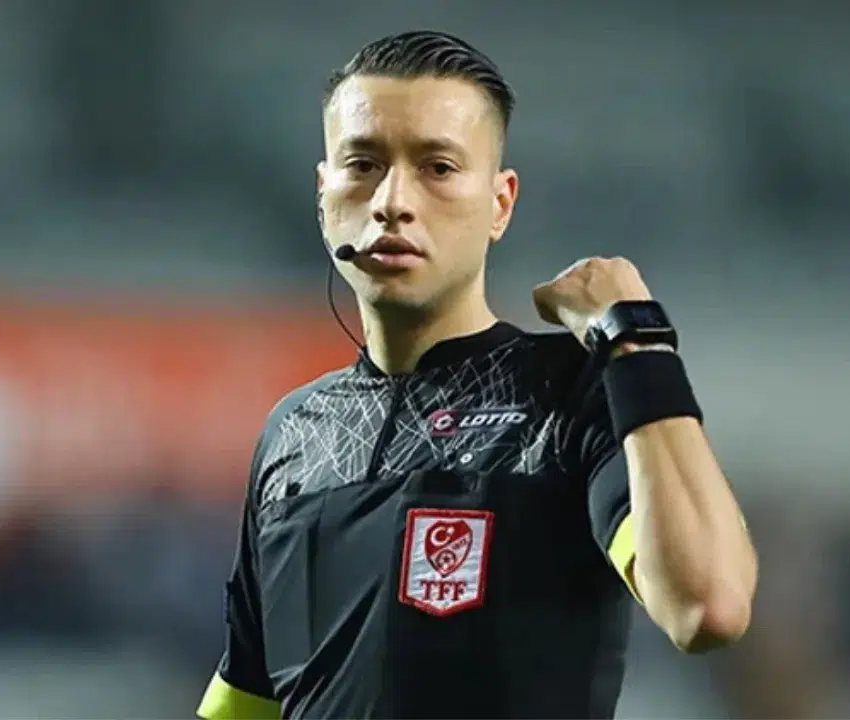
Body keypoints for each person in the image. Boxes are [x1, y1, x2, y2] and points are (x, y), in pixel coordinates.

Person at [197, 30, 757, 719]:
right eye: (363, 164)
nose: (392, 201)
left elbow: (707, 605)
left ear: (500, 203)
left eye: (437, 167)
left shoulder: (567, 394)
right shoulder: (295, 435)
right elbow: (246, 700)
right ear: (323, 192)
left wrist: (635, 341)